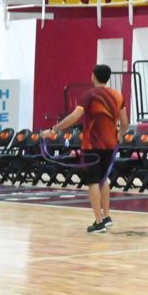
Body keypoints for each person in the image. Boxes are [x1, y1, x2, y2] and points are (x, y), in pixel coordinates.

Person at [42, 63, 128, 233]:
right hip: (110, 145)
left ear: (93, 76)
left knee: (93, 182)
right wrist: (120, 135)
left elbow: (74, 117)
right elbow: (125, 122)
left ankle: (98, 221)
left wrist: (53, 130)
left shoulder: (89, 95)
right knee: (104, 180)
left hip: (92, 146)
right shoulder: (118, 95)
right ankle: (107, 216)